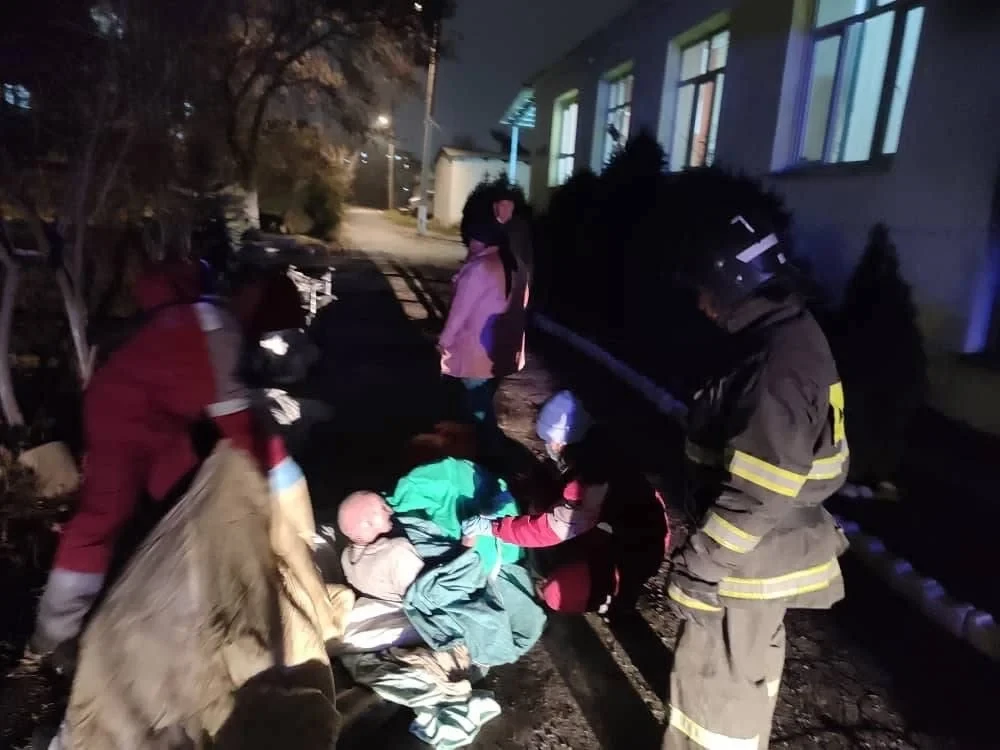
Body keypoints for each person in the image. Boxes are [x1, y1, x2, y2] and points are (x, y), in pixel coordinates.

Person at [30, 258, 290, 671]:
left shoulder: (209, 317)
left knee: (176, 498)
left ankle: (148, 577)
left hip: (159, 420)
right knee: (101, 520)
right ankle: (52, 637)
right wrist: (281, 472)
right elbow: (238, 425)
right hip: (120, 417)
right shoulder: (221, 333)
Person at [662, 211, 850, 750]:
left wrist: (700, 567)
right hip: (770, 545)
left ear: (733, 283)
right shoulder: (790, 332)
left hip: (746, 558)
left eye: (706, 289)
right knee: (740, 675)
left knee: (713, 692)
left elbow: (756, 493)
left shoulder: (775, 366)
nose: (701, 302)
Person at [461, 390, 671, 617]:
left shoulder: (592, 481)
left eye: (550, 441)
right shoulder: (600, 452)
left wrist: (492, 528)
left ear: (561, 442)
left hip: (634, 555)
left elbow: (546, 530)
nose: (548, 446)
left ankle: (610, 599)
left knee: (556, 591)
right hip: (635, 532)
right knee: (543, 508)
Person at [438, 220, 529, 465]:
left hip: (476, 353)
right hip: (503, 351)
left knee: (479, 411)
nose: (468, 245)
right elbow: (522, 306)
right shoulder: (516, 265)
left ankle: (492, 459)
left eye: (471, 240)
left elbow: (460, 313)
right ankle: (484, 451)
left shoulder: (479, 267)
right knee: (481, 402)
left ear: (481, 240)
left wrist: (444, 341)